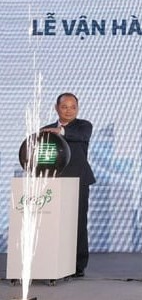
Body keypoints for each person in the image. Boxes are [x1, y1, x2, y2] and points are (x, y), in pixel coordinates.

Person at [41, 93, 95, 277]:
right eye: (64, 107)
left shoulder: (83, 126)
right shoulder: (46, 129)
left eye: (73, 107)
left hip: (78, 180)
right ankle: (52, 259)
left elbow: (79, 136)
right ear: (57, 108)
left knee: (78, 222)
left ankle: (77, 265)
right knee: (53, 222)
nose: (69, 110)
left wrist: (61, 132)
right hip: (53, 182)